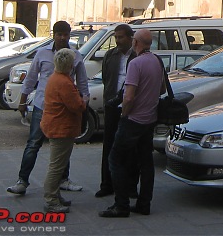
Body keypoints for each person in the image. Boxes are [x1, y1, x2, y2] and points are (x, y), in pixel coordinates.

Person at [7, 20, 89, 196]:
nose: (62, 38)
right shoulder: (42, 53)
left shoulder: (75, 55)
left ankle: (63, 179)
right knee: (33, 143)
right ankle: (22, 180)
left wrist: (84, 102)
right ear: (53, 34)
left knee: (62, 144)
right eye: (59, 34)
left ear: (69, 35)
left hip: (65, 108)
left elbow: (82, 82)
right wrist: (22, 101)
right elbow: (31, 78)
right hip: (42, 106)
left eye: (65, 34)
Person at [99, 28, 164, 218]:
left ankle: (121, 204)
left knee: (115, 159)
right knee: (146, 163)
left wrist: (124, 115)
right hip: (149, 119)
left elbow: (128, 97)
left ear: (136, 42)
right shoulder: (156, 61)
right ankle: (144, 203)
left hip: (133, 120)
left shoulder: (135, 63)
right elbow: (160, 89)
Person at [40, 48, 86, 213]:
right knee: (56, 166)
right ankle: (51, 199)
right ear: (70, 65)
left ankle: (55, 195)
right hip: (61, 128)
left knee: (57, 164)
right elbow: (77, 106)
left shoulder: (55, 78)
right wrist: (83, 99)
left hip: (54, 124)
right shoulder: (64, 83)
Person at [95, 23, 137, 198]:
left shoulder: (136, 57)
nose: (118, 41)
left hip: (131, 108)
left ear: (130, 38)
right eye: (116, 37)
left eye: (121, 37)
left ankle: (130, 186)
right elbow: (106, 79)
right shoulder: (110, 56)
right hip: (113, 105)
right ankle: (107, 184)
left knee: (130, 148)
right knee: (109, 146)